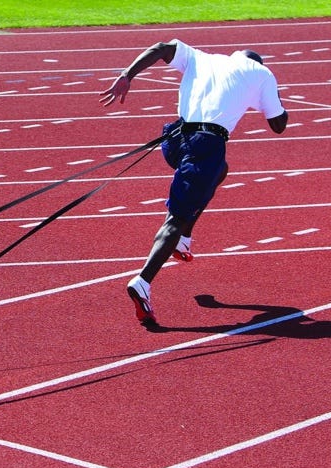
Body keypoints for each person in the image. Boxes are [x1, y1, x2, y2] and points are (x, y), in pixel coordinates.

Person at [99, 40, 289, 329]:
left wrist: (128, 74)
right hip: (206, 144)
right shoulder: (261, 73)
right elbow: (278, 124)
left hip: (175, 139)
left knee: (219, 171)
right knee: (177, 216)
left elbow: (161, 47)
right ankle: (143, 282)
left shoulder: (204, 57)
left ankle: (184, 238)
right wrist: (276, 98)